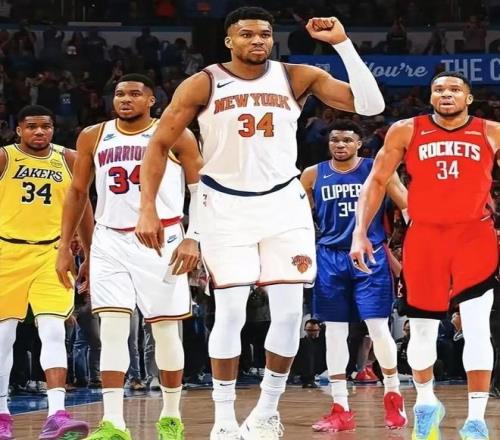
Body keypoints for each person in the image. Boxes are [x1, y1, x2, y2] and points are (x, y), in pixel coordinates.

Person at [135, 7, 385, 440]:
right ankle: (224, 419)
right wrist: (147, 208)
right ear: (229, 40)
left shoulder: (296, 76)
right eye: (247, 34)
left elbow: (372, 105)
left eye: (265, 34)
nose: (257, 41)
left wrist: (342, 44)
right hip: (224, 207)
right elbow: (158, 145)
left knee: (288, 315)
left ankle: (267, 411)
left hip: (284, 204)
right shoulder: (204, 82)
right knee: (230, 312)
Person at [350, 71, 499, 440]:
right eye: (438, 89)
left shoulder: (492, 131)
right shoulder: (406, 130)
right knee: (421, 330)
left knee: (477, 327)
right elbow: (377, 181)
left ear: (468, 98)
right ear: (430, 97)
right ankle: (426, 404)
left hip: (475, 236)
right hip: (425, 238)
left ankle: (476, 420)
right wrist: (359, 232)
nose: (446, 94)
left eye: (454, 89)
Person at [56, 73, 202, 440]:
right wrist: (66, 246)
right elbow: (78, 192)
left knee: (165, 331)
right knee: (113, 331)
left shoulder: (177, 134)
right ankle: (113, 423)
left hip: (161, 238)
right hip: (109, 238)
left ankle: (171, 417)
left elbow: (201, 190)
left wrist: (194, 238)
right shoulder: (93, 135)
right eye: (120, 93)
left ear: (151, 100)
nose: (125, 99)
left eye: (135, 94)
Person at [300, 119, 408, 432]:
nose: (340, 145)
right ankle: (340, 408)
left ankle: (393, 396)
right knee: (334, 332)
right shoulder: (312, 174)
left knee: (377, 328)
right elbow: (299, 218)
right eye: (335, 140)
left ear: (359, 144)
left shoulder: (377, 169)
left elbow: (406, 204)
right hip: (329, 256)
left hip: (369, 255)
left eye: (347, 140)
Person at [0, 105, 92, 439]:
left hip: (54, 253)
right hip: (7, 252)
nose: (39, 132)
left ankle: (57, 414)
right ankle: (2, 414)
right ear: (19, 130)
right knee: (4, 337)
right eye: (32, 127)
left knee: (53, 331)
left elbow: (83, 204)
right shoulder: (5, 157)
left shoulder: (69, 159)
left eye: (46, 126)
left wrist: (89, 252)